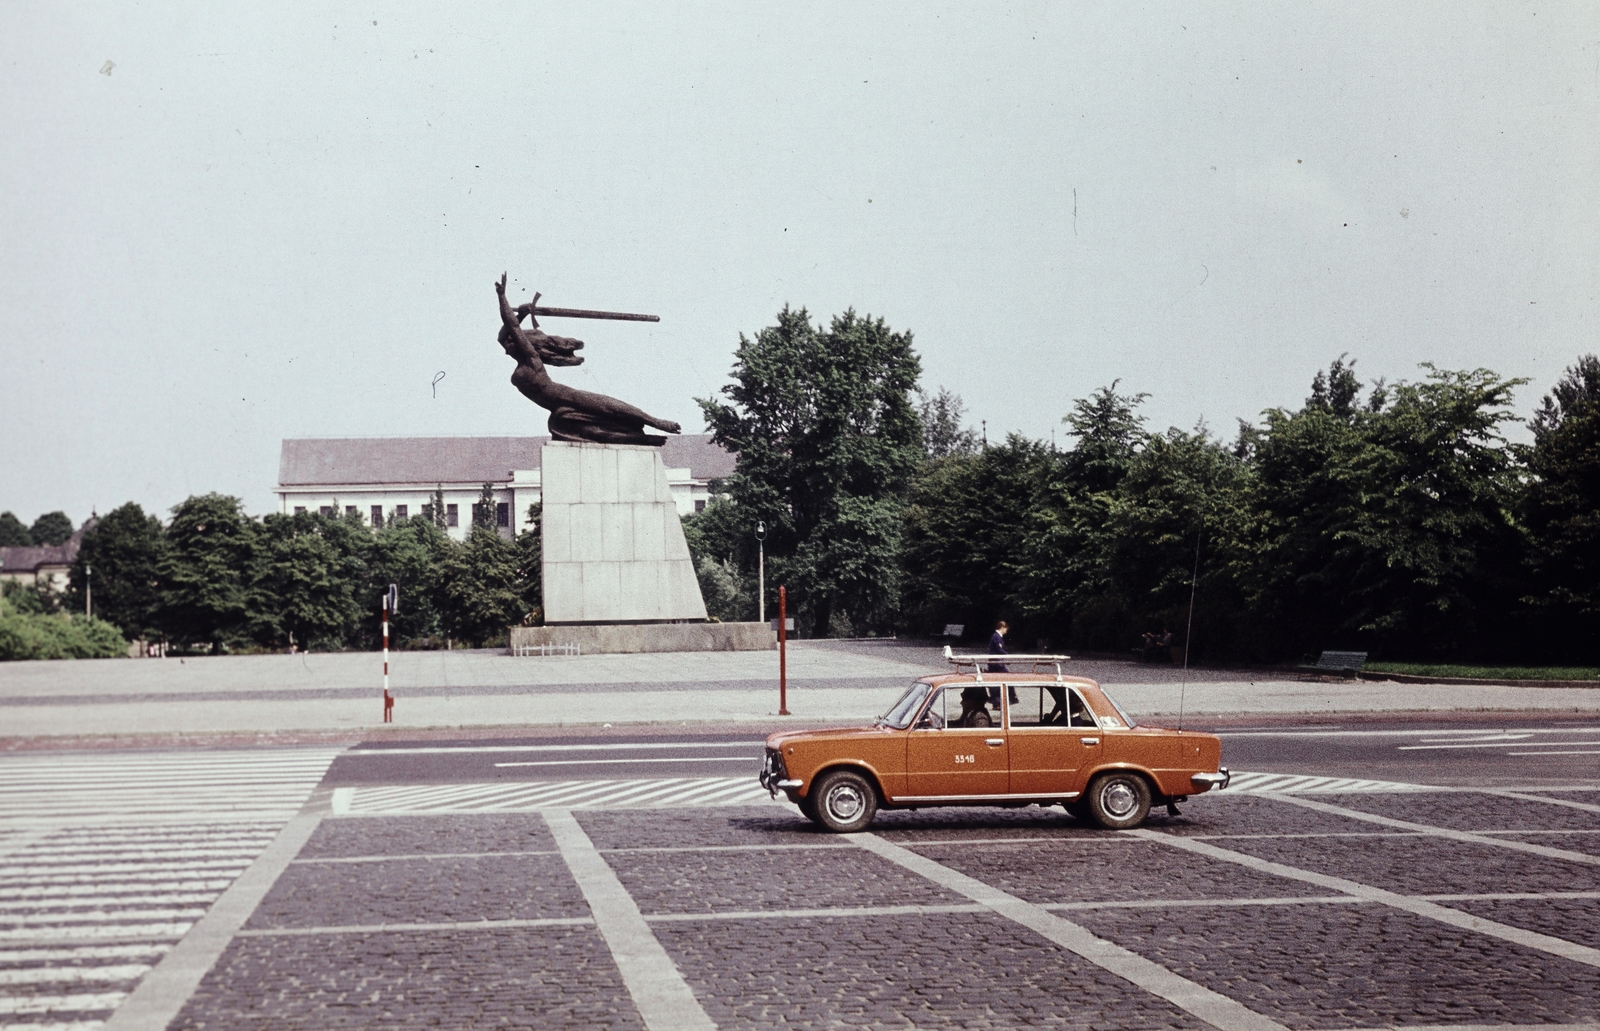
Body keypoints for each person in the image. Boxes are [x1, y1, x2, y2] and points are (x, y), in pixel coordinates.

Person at [495, 274, 682, 445]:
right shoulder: (522, 361)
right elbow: (503, 335)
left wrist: (502, 297)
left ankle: (655, 421)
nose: (506, 346)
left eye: (512, 342)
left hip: (567, 396)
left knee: (609, 407)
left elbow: (511, 327)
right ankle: (645, 439)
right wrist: (522, 314)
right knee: (593, 432)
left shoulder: (531, 358)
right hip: (559, 410)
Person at [986, 620, 1018, 709]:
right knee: (1006, 678)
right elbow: (999, 650)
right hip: (997, 663)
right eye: (1006, 629)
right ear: (1002, 627)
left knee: (995, 683)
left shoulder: (996, 637)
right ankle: (1011, 698)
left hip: (996, 662)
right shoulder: (996, 637)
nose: (1006, 631)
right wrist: (1007, 656)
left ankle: (996, 702)